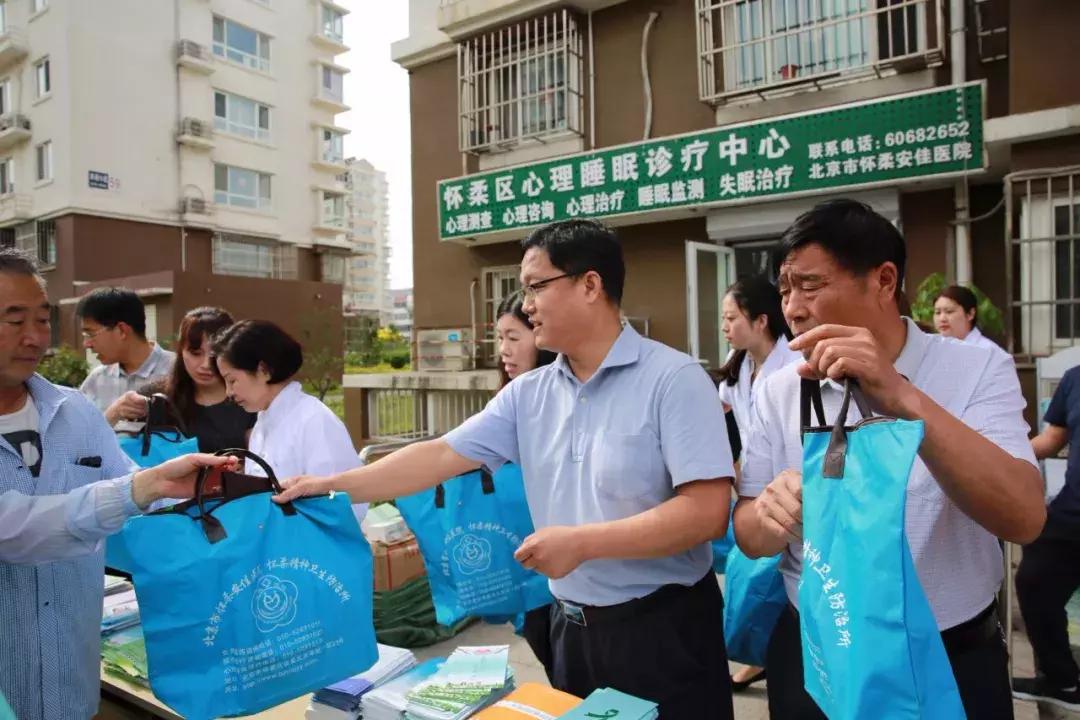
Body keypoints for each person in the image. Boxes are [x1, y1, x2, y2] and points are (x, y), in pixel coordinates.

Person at [277, 219, 737, 719]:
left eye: (537, 286)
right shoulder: (528, 394)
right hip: (571, 628)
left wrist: (582, 543)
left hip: (662, 630)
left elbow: (706, 513)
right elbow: (439, 456)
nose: (528, 304)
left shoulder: (674, 380)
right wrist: (331, 484)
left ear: (590, 284)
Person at [733, 199, 1045, 719]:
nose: (792, 308)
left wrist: (901, 397)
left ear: (883, 279)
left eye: (809, 285)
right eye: (785, 291)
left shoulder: (975, 369)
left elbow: (1024, 516)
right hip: (817, 652)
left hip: (946, 657)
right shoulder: (781, 388)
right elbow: (746, 531)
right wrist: (771, 514)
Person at [0, 248, 233, 720]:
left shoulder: (76, 412)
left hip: (72, 687)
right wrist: (140, 489)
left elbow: (131, 487)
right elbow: (14, 530)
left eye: (43, 320)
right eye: (13, 319)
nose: (33, 337)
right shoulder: (96, 393)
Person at [716, 274, 802, 692]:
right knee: (752, 583)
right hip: (752, 491)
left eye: (732, 318)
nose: (725, 326)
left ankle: (764, 657)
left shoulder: (795, 364)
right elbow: (731, 433)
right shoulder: (734, 375)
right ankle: (762, 655)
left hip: (789, 492)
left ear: (762, 320)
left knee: (776, 586)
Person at [210, 319, 366, 522]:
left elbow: (347, 503)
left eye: (232, 380)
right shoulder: (262, 423)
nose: (229, 392)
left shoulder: (314, 420)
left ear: (263, 370)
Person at [494, 293, 558, 681]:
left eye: (514, 337)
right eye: (499, 338)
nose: (504, 350)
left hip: (568, 574)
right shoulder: (509, 400)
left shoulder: (563, 398)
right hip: (528, 571)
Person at [1012, 365, 1080, 711]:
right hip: (1073, 513)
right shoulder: (1074, 378)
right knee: (1034, 582)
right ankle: (1062, 681)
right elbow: (1054, 438)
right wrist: (999, 455)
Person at [156, 307, 256, 453]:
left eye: (214, 356)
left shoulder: (251, 400)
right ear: (181, 351)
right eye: (196, 353)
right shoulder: (159, 398)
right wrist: (116, 411)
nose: (206, 365)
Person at [77, 287, 175, 428]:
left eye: (90, 334)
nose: (86, 344)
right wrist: (112, 414)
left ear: (122, 330)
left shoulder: (177, 370)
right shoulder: (97, 379)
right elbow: (78, 436)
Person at [933, 284, 1005, 354]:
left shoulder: (991, 353)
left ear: (970, 314)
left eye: (949, 311)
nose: (942, 319)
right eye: (937, 312)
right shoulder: (933, 351)